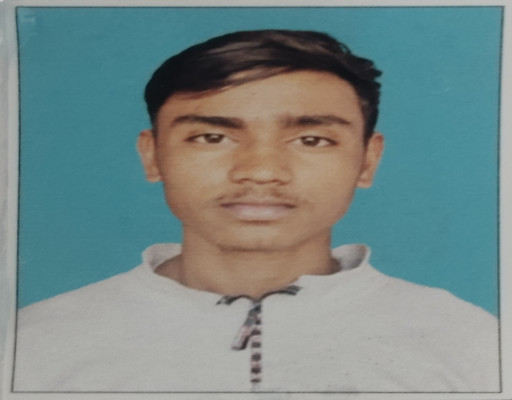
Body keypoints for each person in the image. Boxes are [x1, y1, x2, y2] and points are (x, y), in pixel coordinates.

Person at [14, 29, 498, 393]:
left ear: (367, 161)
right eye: (212, 137)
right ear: (152, 155)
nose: (261, 171)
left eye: (311, 139)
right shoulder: (36, 343)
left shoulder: (467, 340)